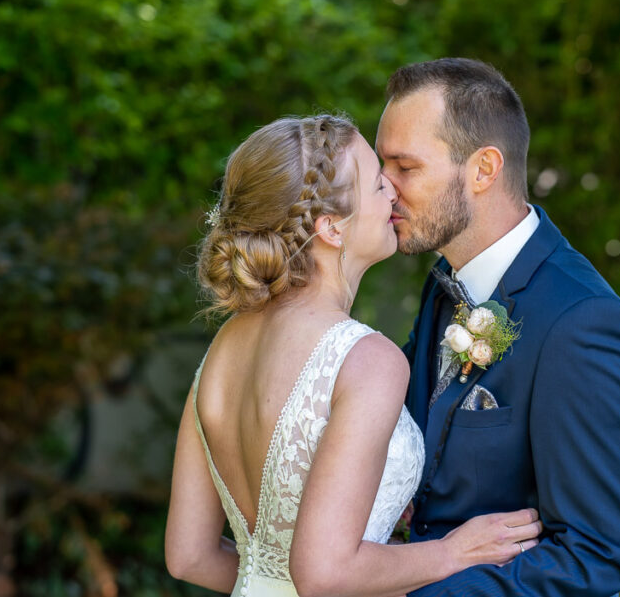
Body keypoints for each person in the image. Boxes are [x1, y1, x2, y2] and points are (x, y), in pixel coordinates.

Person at [164, 115, 543, 597]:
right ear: (330, 228)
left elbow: (188, 556)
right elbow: (325, 574)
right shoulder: (365, 360)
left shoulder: (219, 354)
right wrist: (453, 552)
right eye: (375, 182)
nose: (393, 191)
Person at [375, 58, 620, 596]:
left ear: (483, 170)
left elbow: (600, 553)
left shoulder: (582, 324)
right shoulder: (442, 287)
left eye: (404, 168)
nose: (385, 189)